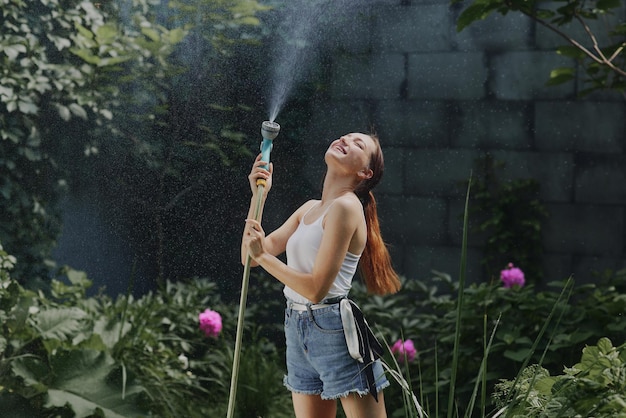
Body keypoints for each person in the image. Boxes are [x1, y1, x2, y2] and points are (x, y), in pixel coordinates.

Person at [241, 131, 401, 418]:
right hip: (296, 324)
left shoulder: (347, 207)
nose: (346, 140)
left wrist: (263, 256)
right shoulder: (310, 208)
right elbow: (249, 258)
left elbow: (316, 288)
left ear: (365, 172)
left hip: (333, 330)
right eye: (346, 136)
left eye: (358, 144)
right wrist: (258, 196)